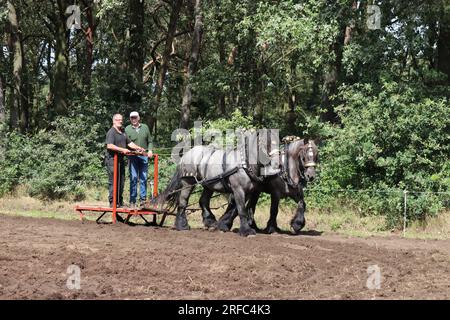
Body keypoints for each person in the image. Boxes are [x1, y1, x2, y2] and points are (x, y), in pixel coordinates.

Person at [105, 113, 145, 208]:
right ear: (114, 121)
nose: (120, 121)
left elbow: (130, 143)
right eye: (118, 120)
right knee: (114, 181)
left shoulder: (122, 131)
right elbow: (109, 145)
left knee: (121, 181)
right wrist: (122, 149)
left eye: (121, 120)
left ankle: (119, 202)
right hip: (112, 160)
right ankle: (113, 202)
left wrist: (138, 148)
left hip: (120, 160)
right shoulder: (111, 132)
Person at [125, 111, 153, 207]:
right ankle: (132, 201)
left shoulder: (145, 127)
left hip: (144, 156)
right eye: (132, 118)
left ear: (139, 118)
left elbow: (150, 141)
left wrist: (150, 151)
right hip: (132, 156)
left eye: (135, 117)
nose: (134, 119)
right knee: (133, 178)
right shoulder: (127, 129)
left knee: (143, 178)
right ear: (130, 119)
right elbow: (126, 143)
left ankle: (142, 200)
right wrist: (133, 150)